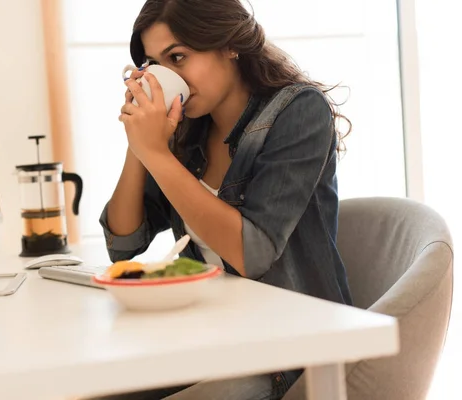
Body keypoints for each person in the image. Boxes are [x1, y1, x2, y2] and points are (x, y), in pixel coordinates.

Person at [97, 0, 353, 398]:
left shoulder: (299, 111)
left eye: (178, 57)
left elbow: (252, 254)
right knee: (92, 387)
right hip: (211, 337)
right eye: (155, 64)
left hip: (287, 352)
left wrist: (158, 155)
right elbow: (123, 245)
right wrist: (139, 141)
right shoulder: (186, 130)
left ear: (229, 45)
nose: (167, 76)